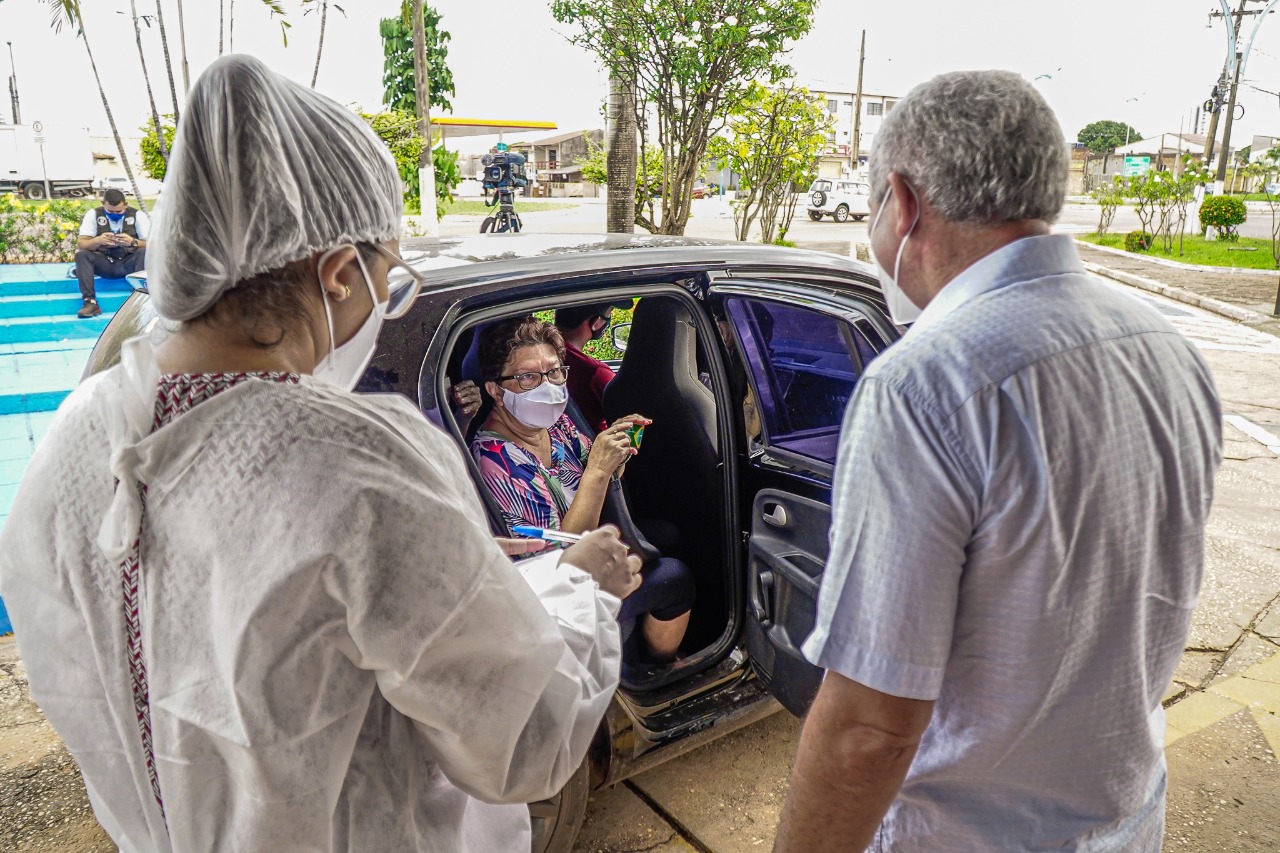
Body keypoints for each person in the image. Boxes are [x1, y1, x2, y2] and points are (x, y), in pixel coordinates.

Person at [0, 55, 641, 852]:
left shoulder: (76, 434)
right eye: (388, 279)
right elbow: (522, 741)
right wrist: (581, 588)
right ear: (338, 273)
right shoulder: (362, 464)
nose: (385, 299)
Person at [775, 70, 1222, 852]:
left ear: (903, 204)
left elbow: (871, 727)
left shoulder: (923, 384)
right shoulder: (1166, 347)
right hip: (1126, 817)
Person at [472, 316, 695, 665]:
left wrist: (617, 449)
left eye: (554, 372)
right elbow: (560, 561)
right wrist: (599, 468)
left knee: (667, 534)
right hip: (554, 595)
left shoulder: (553, 423)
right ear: (495, 391)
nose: (546, 386)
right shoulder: (498, 463)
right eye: (528, 377)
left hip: (592, 544)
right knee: (676, 579)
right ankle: (659, 669)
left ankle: (635, 643)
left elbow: (595, 467)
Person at [554, 301, 630, 431]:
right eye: (609, 313)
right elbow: (631, 418)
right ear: (596, 323)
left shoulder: (541, 355)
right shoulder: (595, 373)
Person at [74, 188, 148, 318]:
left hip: (129, 263)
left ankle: (138, 298)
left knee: (144, 252)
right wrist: (98, 240)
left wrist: (133, 242)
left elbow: (153, 244)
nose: (115, 214)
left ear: (125, 205)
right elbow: (82, 244)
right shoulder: (93, 214)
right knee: (82, 255)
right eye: (110, 211)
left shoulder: (138, 215)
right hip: (105, 262)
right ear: (103, 204)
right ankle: (90, 302)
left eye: (119, 211)